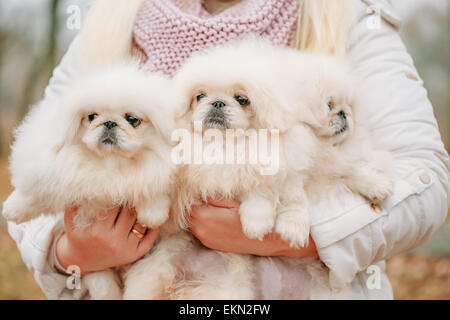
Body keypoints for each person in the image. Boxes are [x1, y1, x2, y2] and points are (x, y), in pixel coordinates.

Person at [7, 0, 449, 299]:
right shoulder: (111, 18)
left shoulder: (343, 14)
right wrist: (74, 253)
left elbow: (425, 180)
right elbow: (38, 171)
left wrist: (301, 233)